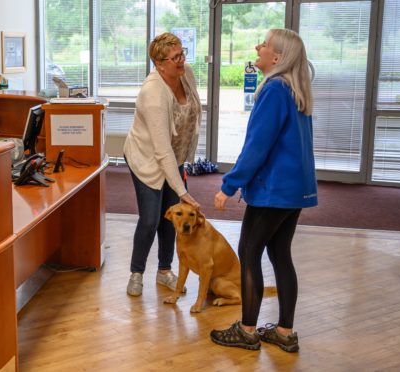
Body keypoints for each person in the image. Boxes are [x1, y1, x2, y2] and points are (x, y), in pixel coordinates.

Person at [209, 29, 317, 352]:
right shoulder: (295, 91)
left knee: (249, 252)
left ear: (277, 58)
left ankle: (247, 330)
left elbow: (257, 147)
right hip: (294, 191)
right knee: (280, 254)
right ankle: (285, 332)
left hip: (274, 191)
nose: (259, 47)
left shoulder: (274, 91)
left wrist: (229, 185)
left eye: (265, 44)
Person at [123, 32, 201, 297]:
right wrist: (183, 191)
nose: (181, 61)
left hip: (173, 157)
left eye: (182, 53)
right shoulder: (153, 94)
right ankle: (136, 273)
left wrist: (181, 175)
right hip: (146, 158)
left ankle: (164, 270)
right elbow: (160, 149)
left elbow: (192, 114)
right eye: (175, 57)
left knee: (172, 217)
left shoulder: (185, 73)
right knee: (150, 218)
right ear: (159, 63)